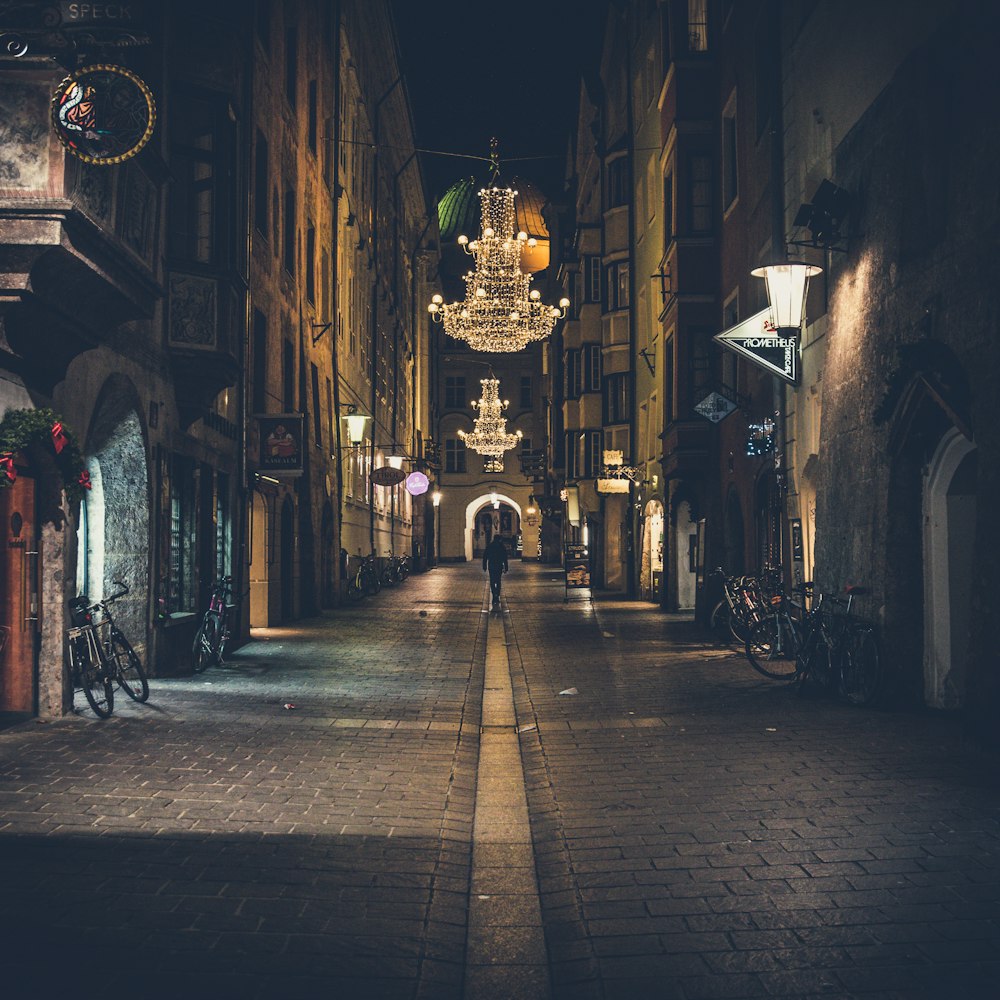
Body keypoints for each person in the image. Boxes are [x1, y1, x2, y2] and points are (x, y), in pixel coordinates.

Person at [482, 534, 508, 608]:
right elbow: (505, 558)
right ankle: (497, 595)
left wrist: (484, 566)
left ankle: (494, 595)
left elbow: (485, 556)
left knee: (492, 581)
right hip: (499, 565)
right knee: (498, 580)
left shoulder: (490, 546)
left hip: (491, 565)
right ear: (499, 539)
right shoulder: (501, 546)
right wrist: (506, 567)